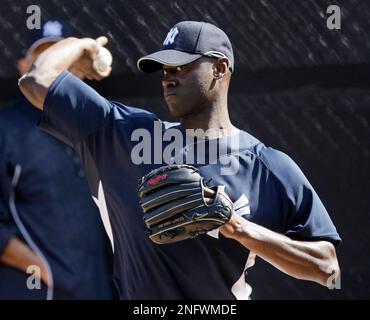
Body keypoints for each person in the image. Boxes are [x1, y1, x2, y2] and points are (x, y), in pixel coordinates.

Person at [18, 20, 341, 299]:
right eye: (165, 69)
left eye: (182, 66)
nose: (168, 77)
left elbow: (326, 268)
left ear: (220, 68)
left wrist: (238, 228)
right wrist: (80, 45)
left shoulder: (266, 165)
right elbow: (37, 80)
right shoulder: (122, 135)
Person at [0, 20, 116, 299]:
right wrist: (43, 269)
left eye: (60, 55)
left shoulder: (97, 126)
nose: (51, 65)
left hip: (99, 288)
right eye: (41, 57)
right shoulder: (5, 130)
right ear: (22, 66)